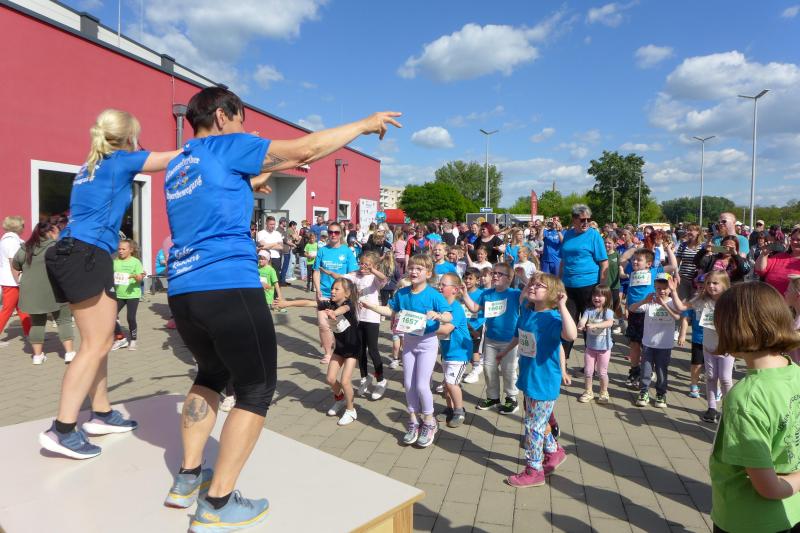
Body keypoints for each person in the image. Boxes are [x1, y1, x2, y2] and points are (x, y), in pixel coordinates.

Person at [159, 86, 400, 529]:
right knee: (256, 388)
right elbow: (306, 149)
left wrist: (252, 181)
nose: (244, 130)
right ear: (222, 115)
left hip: (183, 289)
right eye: (240, 120)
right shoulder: (226, 144)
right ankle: (218, 504)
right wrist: (364, 125)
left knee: (210, 374)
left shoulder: (179, 165)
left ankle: (187, 478)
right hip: (228, 284)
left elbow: (215, 198)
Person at [40, 109, 181, 460]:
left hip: (78, 252)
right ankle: (62, 429)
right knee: (95, 344)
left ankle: (101, 412)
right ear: (129, 136)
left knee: (100, 341)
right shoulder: (119, 161)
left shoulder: (90, 167)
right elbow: (175, 157)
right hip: (85, 254)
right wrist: (219, 144)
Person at [709, 281, 800, 533]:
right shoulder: (795, 373)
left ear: (733, 329)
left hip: (747, 520)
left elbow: (768, 488)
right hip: (791, 512)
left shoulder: (745, 398)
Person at [362, 254, 452, 448]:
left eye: (419, 269)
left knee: (422, 385)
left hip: (427, 343)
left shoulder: (433, 295)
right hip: (409, 343)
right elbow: (390, 311)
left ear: (428, 273)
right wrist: (371, 306)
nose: (414, 271)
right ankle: (413, 420)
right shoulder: (402, 293)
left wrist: (438, 315)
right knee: (409, 384)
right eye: (411, 268)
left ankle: (429, 422)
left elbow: (448, 315)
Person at [505, 273, 576, 488]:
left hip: (543, 382)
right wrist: (504, 352)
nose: (533, 287)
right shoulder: (527, 312)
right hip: (529, 377)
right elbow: (519, 335)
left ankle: (534, 470)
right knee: (538, 421)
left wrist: (562, 306)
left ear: (553, 293)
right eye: (532, 284)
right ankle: (554, 452)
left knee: (533, 426)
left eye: (540, 286)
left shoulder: (553, 318)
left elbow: (571, 336)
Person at [277, 278, 362, 426]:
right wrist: (287, 303)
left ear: (347, 293)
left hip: (353, 348)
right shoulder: (329, 303)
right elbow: (308, 303)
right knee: (330, 379)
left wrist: (334, 312)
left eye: (337, 289)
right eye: (332, 288)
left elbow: (343, 310)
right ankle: (340, 399)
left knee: (345, 381)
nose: (332, 291)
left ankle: (350, 410)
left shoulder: (350, 304)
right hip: (340, 348)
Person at [10, 221, 75, 364]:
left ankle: (37, 356)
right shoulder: (57, 247)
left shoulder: (25, 248)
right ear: (50, 232)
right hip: (56, 291)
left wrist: (19, 282)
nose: (58, 234)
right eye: (56, 231)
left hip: (32, 292)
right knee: (63, 321)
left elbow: (15, 266)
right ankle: (69, 353)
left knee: (37, 323)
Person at [462, 262, 522, 414]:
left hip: (510, 341)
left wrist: (524, 278)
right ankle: (493, 397)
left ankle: (511, 399)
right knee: (489, 369)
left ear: (509, 278)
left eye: (500, 274)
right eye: (494, 273)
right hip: (490, 339)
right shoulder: (487, 293)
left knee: (508, 370)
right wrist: (464, 294)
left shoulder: (515, 293)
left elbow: (529, 294)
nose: (495, 276)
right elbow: (474, 308)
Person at [620, 245, 678, 388]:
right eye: (634, 259)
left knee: (645, 346)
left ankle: (647, 371)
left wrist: (668, 249)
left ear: (648, 264)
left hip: (648, 313)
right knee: (634, 344)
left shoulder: (654, 271)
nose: (634, 262)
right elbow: (622, 260)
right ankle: (634, 371)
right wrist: (634, 248)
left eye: (638, 260)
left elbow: (673, 266)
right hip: (634, 312)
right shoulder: (632, 272)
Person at [558, 205, 608, 359]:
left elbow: (604, 262)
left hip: (589, 286)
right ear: (574, 220)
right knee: (567, 322)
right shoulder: (568, 234)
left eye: (588, 219)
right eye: (582, 220)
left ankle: (590, 362)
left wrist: (602, 287)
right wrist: (559, 282)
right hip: (568, 286)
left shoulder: (594, 235)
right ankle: (563, 361)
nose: (586, 222)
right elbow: (563, 260)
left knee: (589, 324)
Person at [629, 274, 683, 409]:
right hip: (648, 343)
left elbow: (677, 317)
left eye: (665, 288)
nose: (662, 291)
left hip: (664, 345)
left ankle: (661, 394)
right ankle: (643, 392)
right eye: (659, 288)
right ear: (654, 288)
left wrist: (664, 305)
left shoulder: (672, 302)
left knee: (661, 370)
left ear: (670, 289)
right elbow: (632, 309)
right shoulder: (650, 302)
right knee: (646, 370)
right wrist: (644, 301)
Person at [344, 251, 390, 400]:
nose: (363, 267)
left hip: (371, 318)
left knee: (373, 350)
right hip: (358, 318)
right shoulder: (355, 275)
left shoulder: (374, 278)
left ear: (374, 266)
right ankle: (364, 377)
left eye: (367, 265)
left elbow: (384, 278)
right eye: (361, 263)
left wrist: (372, 270)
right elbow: (341, 278)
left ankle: (381, 380)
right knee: (360, 350)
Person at [313, 221, 359, 364]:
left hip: (341, 295)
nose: (333, 235)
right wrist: (317, 289)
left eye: (336, 232)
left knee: (340, 325)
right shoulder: (322, 250)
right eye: (330, 232)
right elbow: (316, 271)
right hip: (325, 292)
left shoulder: (347, 251)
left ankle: (344, 350)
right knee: (323, 324)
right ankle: (328, 353)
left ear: (341, 234)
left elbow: (353, 274)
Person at [690, 270, 732, 423]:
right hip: (708, 346)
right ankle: (711, 408)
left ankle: (729, 409)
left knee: (725, 378)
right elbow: (682, 307)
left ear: (724, 284)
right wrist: (674, 292)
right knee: (711, 377)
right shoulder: (703, 300)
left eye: (715, 283)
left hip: (726, 347)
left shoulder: (730, 302)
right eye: (708, 283)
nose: (711, 286)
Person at [435, 272, 472, 428]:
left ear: (455, 290)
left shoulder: (455, 308)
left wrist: (422, 327)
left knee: (451, 383)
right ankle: (449, 409)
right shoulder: (441, 306)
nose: (439, 287)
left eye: (443, 285)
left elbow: (445, 330)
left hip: (459, 352)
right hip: (447, 351)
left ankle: (459, 411)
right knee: (446, 383)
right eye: (439, 284)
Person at [576, 285, 614, 404]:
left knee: (602, 372)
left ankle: (604, 392)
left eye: (600, 296)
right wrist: (581, 325)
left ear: (607, 298)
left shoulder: (608, 312)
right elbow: (583, 320)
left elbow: (609, 323)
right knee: (588, 371)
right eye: (594, 295)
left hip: (604, 349)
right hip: (590, 348)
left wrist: (595, 325)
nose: (596, 298)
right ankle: (588, 391)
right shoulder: (588, 311)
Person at [0, 215, 31, 346]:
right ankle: (31, 335)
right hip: (12, 282)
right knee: (7, 310)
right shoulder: (12, 242)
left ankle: (31, 335)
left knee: (22, 309)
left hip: (11, 281)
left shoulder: (7, 240)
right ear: (17, 226)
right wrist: (19, 281)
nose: (24, 227)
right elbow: (14, 264)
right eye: (22, 225)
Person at [110, 239, 145, 351]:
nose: (120, 251)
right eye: (119, 249)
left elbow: (140, 278)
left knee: (130, 318)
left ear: (131, 250)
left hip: (132, 295)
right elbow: (111, 276)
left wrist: (138, 277)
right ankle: (120, 339)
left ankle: (133, 340)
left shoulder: (136, 262)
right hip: (119, 294)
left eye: (123, 249)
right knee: (110, 317)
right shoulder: (115, 262)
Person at [755, 227, 800, 295]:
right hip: (770, 299)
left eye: (798, 240)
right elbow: (760, 270)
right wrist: (764, 254)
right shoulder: (779, 257)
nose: (794, 242)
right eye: (792, 239)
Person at [461, 267, 486, 384]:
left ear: (477, 280)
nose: (467, 280)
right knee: (464, 348)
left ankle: (476, 369)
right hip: (463, 325)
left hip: (476, 325)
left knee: (475, 350)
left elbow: (483, 308)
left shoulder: (481, 294)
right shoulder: (460, 292)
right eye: (466, 278)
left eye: (470, 278)